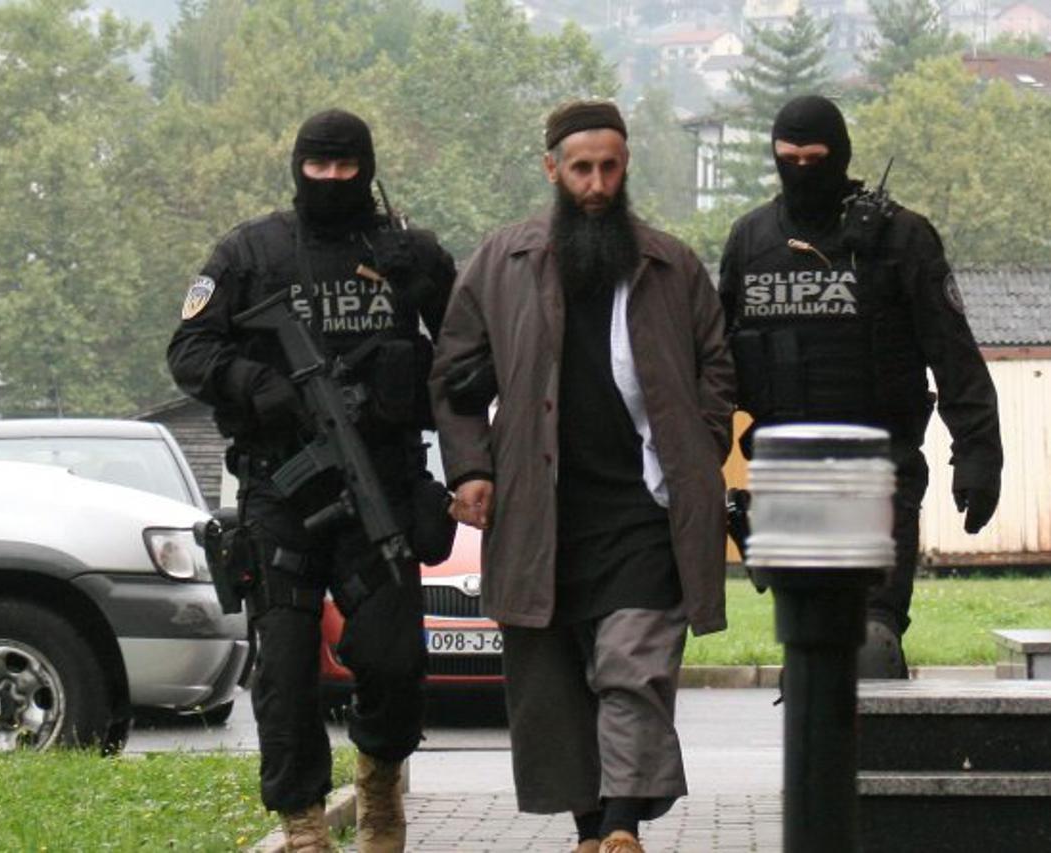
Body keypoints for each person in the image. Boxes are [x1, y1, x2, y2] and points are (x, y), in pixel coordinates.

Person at [429, 100, 735, 853]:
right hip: (541, 512)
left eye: (610, 168)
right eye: (582, 169)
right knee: (556, 681)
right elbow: (453, 373)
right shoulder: (503, 262)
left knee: (633, 666)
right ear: (551, 170)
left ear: (626, 167)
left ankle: (622, 825)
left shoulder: (671, 265)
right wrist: (471, 468)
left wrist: (698, 446)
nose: (597, 185)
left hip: (647, 511)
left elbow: (717, 367)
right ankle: (590, 831)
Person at [167, 108, 456, 853]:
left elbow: (465, 356)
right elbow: (189, 350)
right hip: (281, 490)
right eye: (317, 166)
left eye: (345, 167)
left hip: (381, 486)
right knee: (287, 669)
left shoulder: (409, 252)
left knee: (394, 659)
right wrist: (252, 381)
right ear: (297, 166)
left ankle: (380, 780)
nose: (330, 180)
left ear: (368, 168)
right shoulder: (250, 252)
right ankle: (301, 821)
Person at [719, 94, 1002, 678]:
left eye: (815, 158)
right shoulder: (750, 242)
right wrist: (695, 469)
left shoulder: (901, 239)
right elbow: (715, 368)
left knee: (869, 647)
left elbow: (953, 356)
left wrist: (979, 454)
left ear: (841, 155)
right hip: (786, 480)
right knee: (809, 650)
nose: (802, 171)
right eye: (788, 159)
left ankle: (873, 739)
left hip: (879, 472)